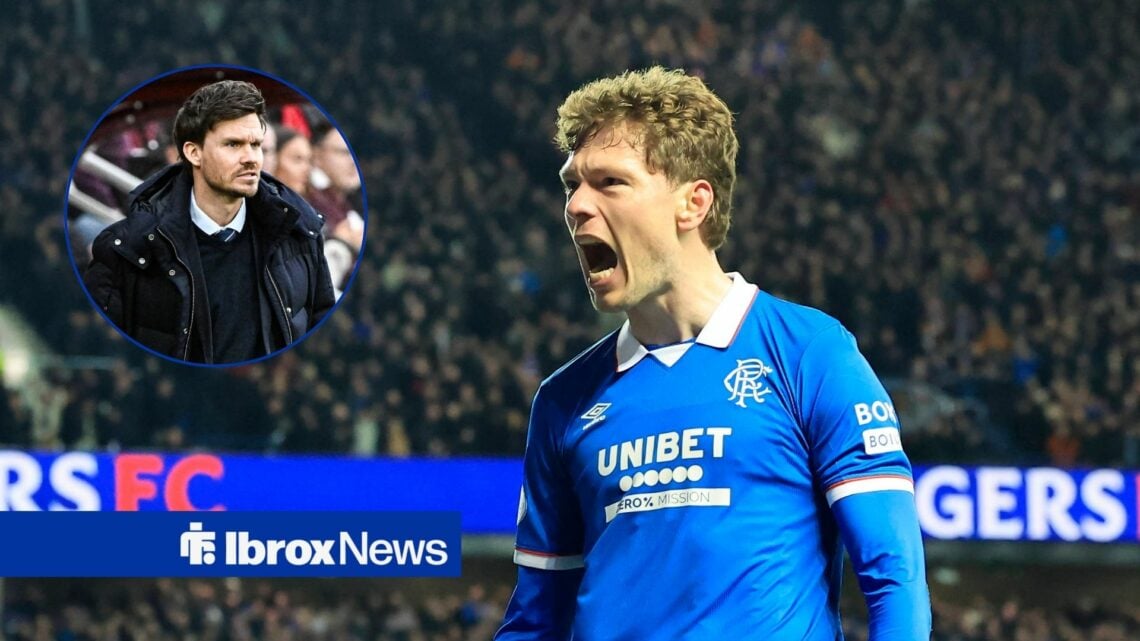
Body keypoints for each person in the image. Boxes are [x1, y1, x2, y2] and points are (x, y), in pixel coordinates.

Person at [496, 67, 931, 640]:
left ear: (692, 204)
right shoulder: (564, 400)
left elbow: (894, 577)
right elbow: (535, 620)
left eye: (609, 182)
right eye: (571, 184)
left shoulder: (810, 354)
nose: (576, 205)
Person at [83, 80, 335, 364]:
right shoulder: (126, 250)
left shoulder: (302, 235)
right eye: (233, 145)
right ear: (193, 152)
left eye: (256, 145)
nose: (250, 158)